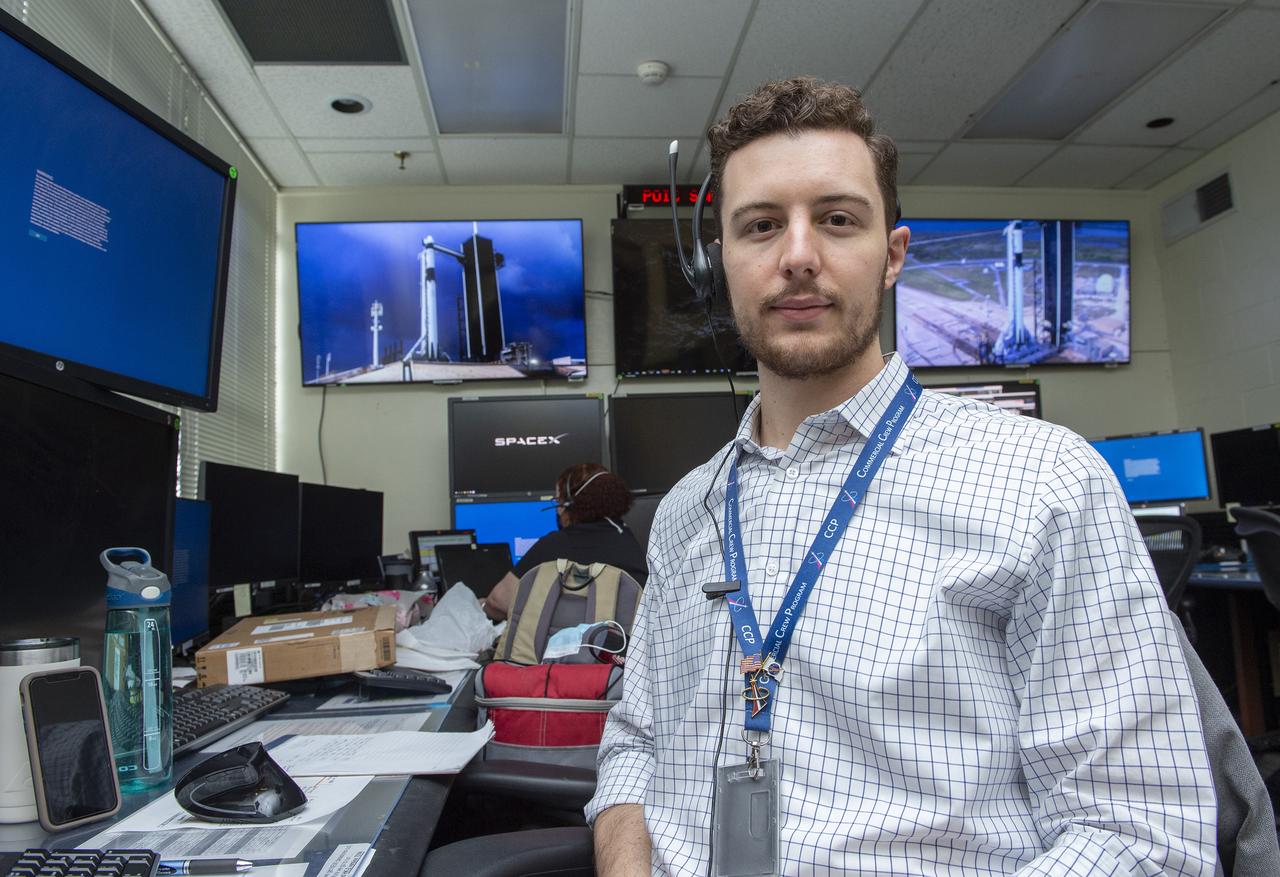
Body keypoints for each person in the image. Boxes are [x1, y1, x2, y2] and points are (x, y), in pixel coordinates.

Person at [587, 77, 1216, 876]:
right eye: (761, 226)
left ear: (892, 256)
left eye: (838, 219)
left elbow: (1145, 835)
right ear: (723, 264)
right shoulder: (686, 510)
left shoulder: (1044, 482)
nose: (800, 255)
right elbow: (635, 738)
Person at [481, 463, 647, 620]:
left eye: (558, 501)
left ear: (569, 504)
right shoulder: (629, 541)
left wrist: (482, 606)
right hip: (624, 646)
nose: (558, 509)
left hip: (566, 648)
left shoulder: (556, 545)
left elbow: (499, 602)